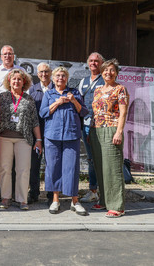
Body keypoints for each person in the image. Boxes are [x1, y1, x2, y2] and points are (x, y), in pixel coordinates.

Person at [40, 67, 88, 216]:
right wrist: (57, 103)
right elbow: (43, 113)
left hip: (71, 135)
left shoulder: (74, 93)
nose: (60, 78)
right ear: (53, 79)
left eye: (63, 76)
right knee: (53, 167)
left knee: (71, 168)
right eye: (58, 76)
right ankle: (55, 200)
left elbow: (84, 112)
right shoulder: (48, 94)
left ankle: (75, 201)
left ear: (67, 78)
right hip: (52, 136)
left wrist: (73, 101)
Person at [0, 69, 41, 210]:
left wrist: (38, 139)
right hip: (3, 137)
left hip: (24, 139)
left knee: (23, 169)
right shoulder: (2, 97)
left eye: (19, 79)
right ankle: (5, 198)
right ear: (9, 81)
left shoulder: (29, 99)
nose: (16, 81)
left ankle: (22, 200)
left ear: (24, 82)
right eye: (14, 79)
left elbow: (34, 120)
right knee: (4, 169)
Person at [90, 58, 129, 218]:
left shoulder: (120, 89)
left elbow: (123, 112)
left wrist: (119, 132)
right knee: (100, 168)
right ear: (102, 72)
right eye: (106, 70)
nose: (108, 73)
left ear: (116, 73)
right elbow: (95, 111)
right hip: (96, 131)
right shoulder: (97, 90)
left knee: (112, 169)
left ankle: (117, 206)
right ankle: (105, 200)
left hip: (112, 130)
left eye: (112, 70)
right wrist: (90, 131)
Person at [0, 45, 21, 201]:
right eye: (5, 54)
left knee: (15, 155)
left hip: (18, 117)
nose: (8, 56)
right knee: (0, 155)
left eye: (10, 54)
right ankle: (1, 189)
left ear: (14, 56)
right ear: (1, 56)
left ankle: (14, 190)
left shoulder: (20, 70)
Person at [77, 52, 105, 204]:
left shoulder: (106, 79)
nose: (94, 63)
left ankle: (105, 191)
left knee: (103, 159)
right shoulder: (83, 81)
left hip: (103, 125)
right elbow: (80, 104)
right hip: (87, 125)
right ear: (88, 63)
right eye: (91, 61)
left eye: (97, 61)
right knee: (91, 159)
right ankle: (93, 190)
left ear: (102, 63)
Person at [27, 62, 53, 203]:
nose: (44, 74)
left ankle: (51, 194)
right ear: (37, 75)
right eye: (41, 72)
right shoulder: (32, 90)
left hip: (52, 134)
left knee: (51, 165)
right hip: (36, 134)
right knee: (34, 165)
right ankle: (34, 193)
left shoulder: (57, 88)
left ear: (51, 73)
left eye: (47, 71)